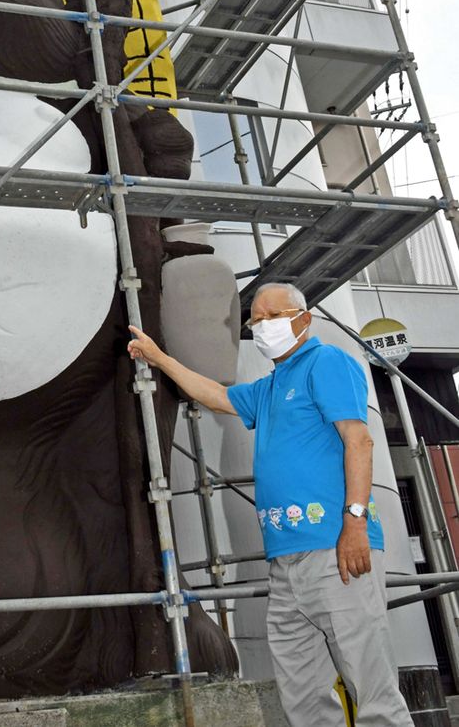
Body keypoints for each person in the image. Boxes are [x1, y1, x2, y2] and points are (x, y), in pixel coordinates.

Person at [127, 281, 413, 727]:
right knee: (302, 694)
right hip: (285, 563)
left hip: (336, 549)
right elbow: (217, 395)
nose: (260, 327)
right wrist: (159, 358)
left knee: (371, 688)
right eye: (254, 320)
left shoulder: (326, 361)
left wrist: (354, 521)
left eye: (271, 317)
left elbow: (358, 439)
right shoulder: (270, 386)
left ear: (302, 319)